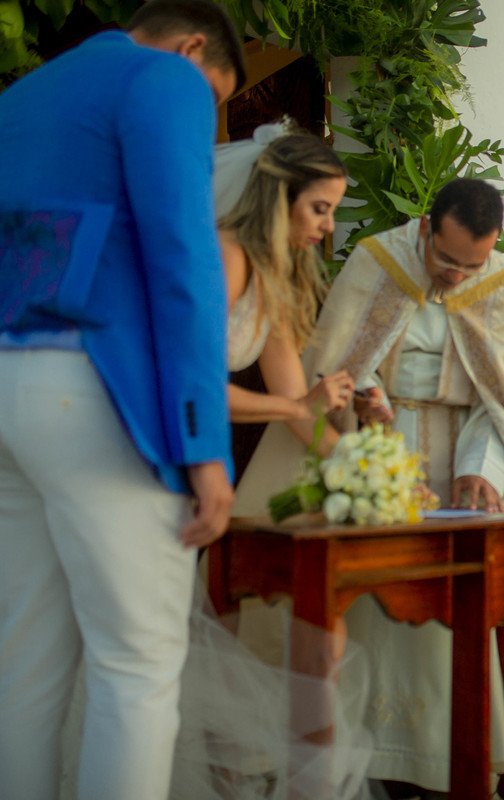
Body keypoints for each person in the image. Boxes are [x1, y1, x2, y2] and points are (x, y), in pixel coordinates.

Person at [0, 1, 245, 797]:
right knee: (136, 665)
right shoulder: (164, 78)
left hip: (8, 383)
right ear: (193, 48)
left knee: (22, 667)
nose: (206, 119)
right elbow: (184, 258)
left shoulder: (20, 97)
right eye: (216, 98)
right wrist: (205, 444)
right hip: (97, 391)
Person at [234, 177, 504, 795]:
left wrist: (481, 468)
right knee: (366, 610)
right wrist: (366, 400)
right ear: (427, 228)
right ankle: (360, 757)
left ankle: (443, 761)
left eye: (471, 265)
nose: (457, 277)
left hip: (460, 458)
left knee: (455, 619)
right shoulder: (379, 261)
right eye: (447, 261)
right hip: (375, 450)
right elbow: (341, 358)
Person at [216, 124, 356, 452]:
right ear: (280, 197)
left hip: (194, 429)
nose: (329, 225)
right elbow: (193, 386)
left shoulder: (271, 277)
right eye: (320, 209)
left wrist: (371, 470)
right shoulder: (228, 258)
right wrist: (300, 406)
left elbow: (296, 404)